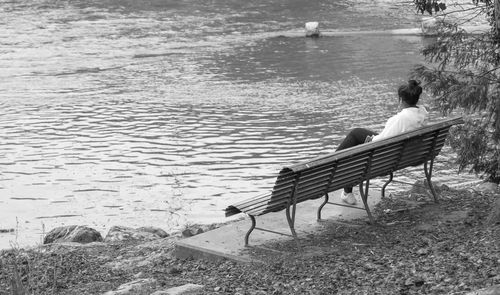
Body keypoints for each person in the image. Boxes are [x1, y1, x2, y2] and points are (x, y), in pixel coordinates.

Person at [336, 80, 428, 205]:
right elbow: (389, 137)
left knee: (355, 135)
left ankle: (335, 164)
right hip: (407, 156)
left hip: (384, 158)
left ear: (402, 100)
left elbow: (382, 141)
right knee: (357, 135)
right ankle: (346, 190)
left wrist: (371, 140)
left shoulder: (401, 118)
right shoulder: (422, 114)